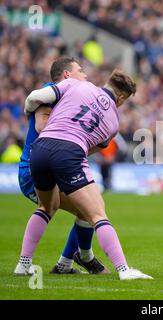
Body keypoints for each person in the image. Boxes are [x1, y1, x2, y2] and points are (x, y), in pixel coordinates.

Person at [15, 69, 152, 280]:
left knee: (46, 207)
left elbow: (35, 97)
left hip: (39, 149)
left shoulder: (76, 85)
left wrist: (28, 111)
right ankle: (124, 270)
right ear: (121, 98)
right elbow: (91, 149)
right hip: (69, 152)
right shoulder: (114, 123)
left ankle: (24, 264)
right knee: (97, 213)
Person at [16, 57, 109, 275]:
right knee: (78, 209)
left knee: (88, 211)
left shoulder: (69, 97)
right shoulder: (50, 91)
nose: (85, 75)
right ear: (67, 75)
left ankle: (65, 264)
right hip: (34, 168)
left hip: (54, 165)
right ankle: (31, 263)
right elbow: (41, 126)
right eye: (80, 70)